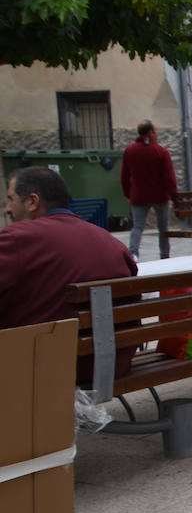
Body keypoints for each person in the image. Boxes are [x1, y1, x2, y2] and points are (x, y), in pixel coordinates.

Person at [2, 168, 138, 379]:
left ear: (32, 201)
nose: (7, 209)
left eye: (10, 199)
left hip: (44, 368)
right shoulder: (111, 242)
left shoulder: (17, 239)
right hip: (113, 364)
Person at [119, 120, 177, 260]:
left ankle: (133, 253)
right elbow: (169, 176)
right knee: (163, 228)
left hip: (139, 195)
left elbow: (124, 176)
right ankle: (164, 255)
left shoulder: (130, 151)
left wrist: (128, 193)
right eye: (155, 131)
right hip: (160, 196)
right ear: (151, 132)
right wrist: (173, 196)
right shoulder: (160, 151)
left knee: (137, 227)